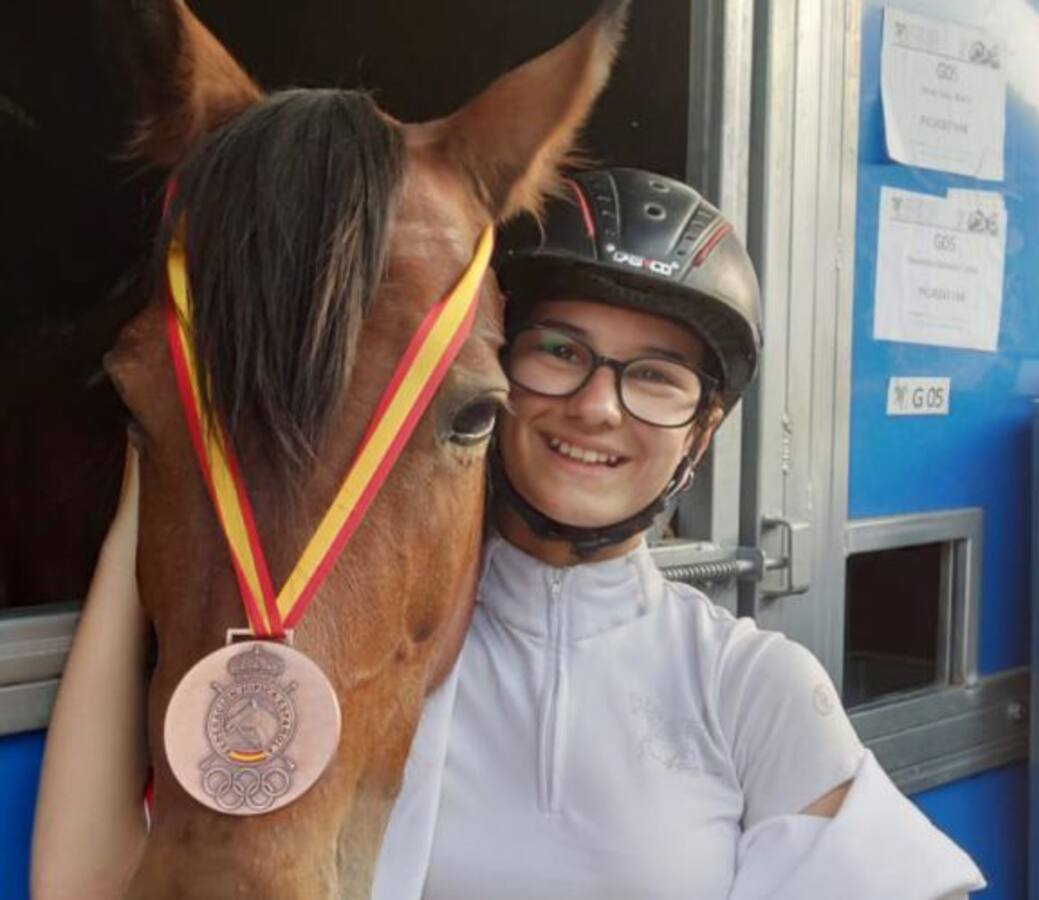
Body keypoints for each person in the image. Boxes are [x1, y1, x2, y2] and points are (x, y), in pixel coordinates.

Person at [32, 168, 986, 899]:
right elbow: (91, 883)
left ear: (704, 430)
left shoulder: (751, 684)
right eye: (560, 352)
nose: (599, 407)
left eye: (657, 376)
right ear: (490, 372)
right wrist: (141, 518)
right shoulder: (358, 651)